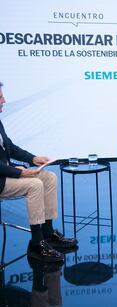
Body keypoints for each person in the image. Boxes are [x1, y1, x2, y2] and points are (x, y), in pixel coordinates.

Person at [0, 82, 77, 262]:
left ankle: (48, 233)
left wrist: (34, 159)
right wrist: (20, 173)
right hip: (2, 179)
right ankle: (36, 243)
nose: (4, 100)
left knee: (49, 177)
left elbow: (10, 147)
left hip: (7, 173)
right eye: (0, 97)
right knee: (34, 184)